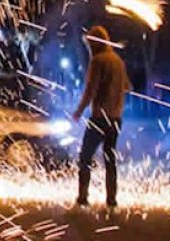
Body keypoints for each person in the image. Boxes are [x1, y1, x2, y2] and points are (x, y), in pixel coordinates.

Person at [72, 25, 130, 209]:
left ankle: (82, 198)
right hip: (116, 118)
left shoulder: (98, 60)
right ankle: (111, 200)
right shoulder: (118, 61)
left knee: (85, 157)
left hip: (99, 118)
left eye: (90, 43)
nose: (89, 47)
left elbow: (91, 90)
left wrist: (79, 111)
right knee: (110, 159)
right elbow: (128, 86)